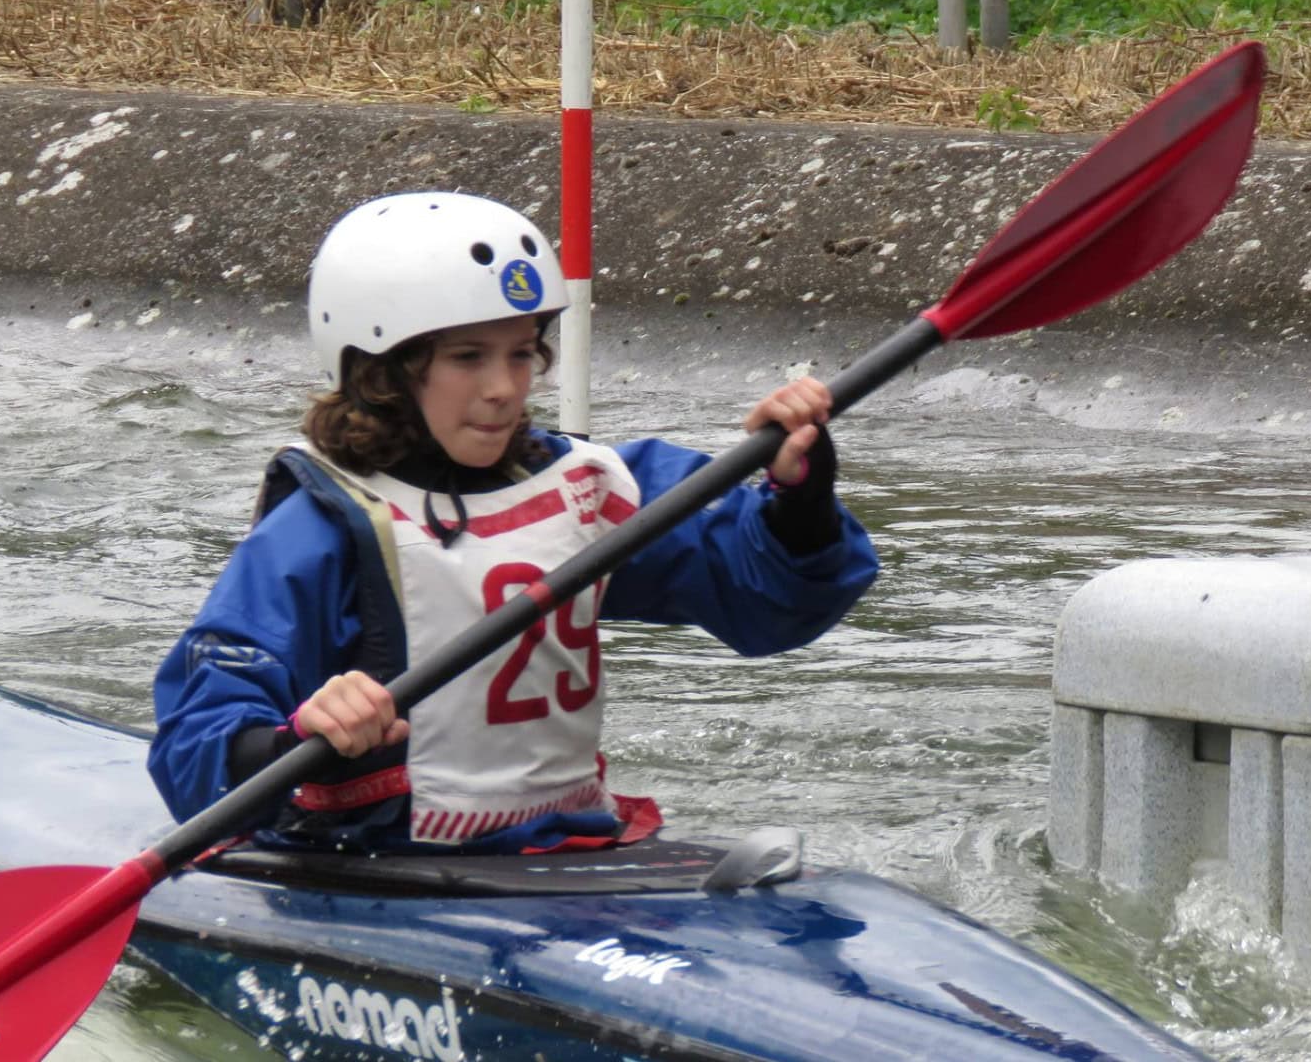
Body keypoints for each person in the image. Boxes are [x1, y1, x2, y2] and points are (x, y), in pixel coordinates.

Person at [146, 190, 879, 853]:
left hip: (569, 850)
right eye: (469, 357)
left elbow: (772, 606)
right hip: (380, 865)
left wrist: (801, 494)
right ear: (381, 371)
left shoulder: (592, 489)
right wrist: (300, 733)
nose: (503, 389)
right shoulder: (323, 529)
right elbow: (196, 739)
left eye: (522, 353)